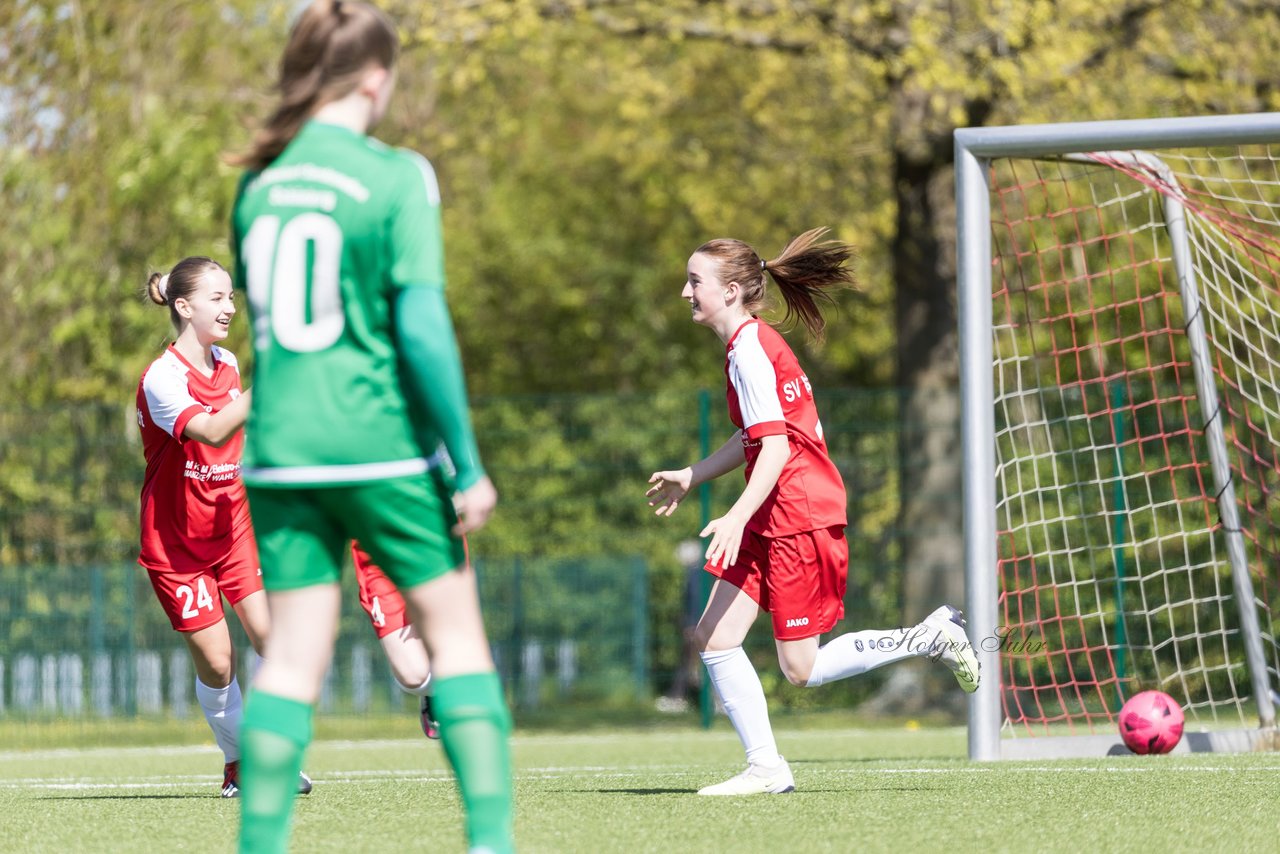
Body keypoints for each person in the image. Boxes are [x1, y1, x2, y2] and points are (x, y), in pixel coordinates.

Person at [227, 2, 512, 852]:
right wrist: (465, 462)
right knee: (456, 638)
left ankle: (262, 843)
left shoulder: (258, 182)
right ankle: (491, 841)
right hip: (378, 445)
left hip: (279, 456)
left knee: (291, 661)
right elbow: (420, 333)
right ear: (377, 77)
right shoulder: (396, 176)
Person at [646, 228, 980, 796]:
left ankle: (929, 638)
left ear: (730, 291)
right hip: (773, 508)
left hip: (797, 511)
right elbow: (755, 437)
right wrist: (692, 474)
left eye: (694, 281)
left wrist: (732, 515)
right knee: (715, 637)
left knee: (802, 669)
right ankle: (767, 769)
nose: (685, 291)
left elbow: (774, 449)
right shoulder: (748, 345)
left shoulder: (752, 348)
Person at [135, 256, 311, 799]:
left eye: (231, 296)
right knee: (218, 662)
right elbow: (210, 431)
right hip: (176, 544)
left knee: (276, 641)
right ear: (183, 307)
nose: (230, 307)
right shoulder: (162, 377)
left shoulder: (228, 364)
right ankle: (238, 762)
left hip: (231, 527)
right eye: (217, 298)